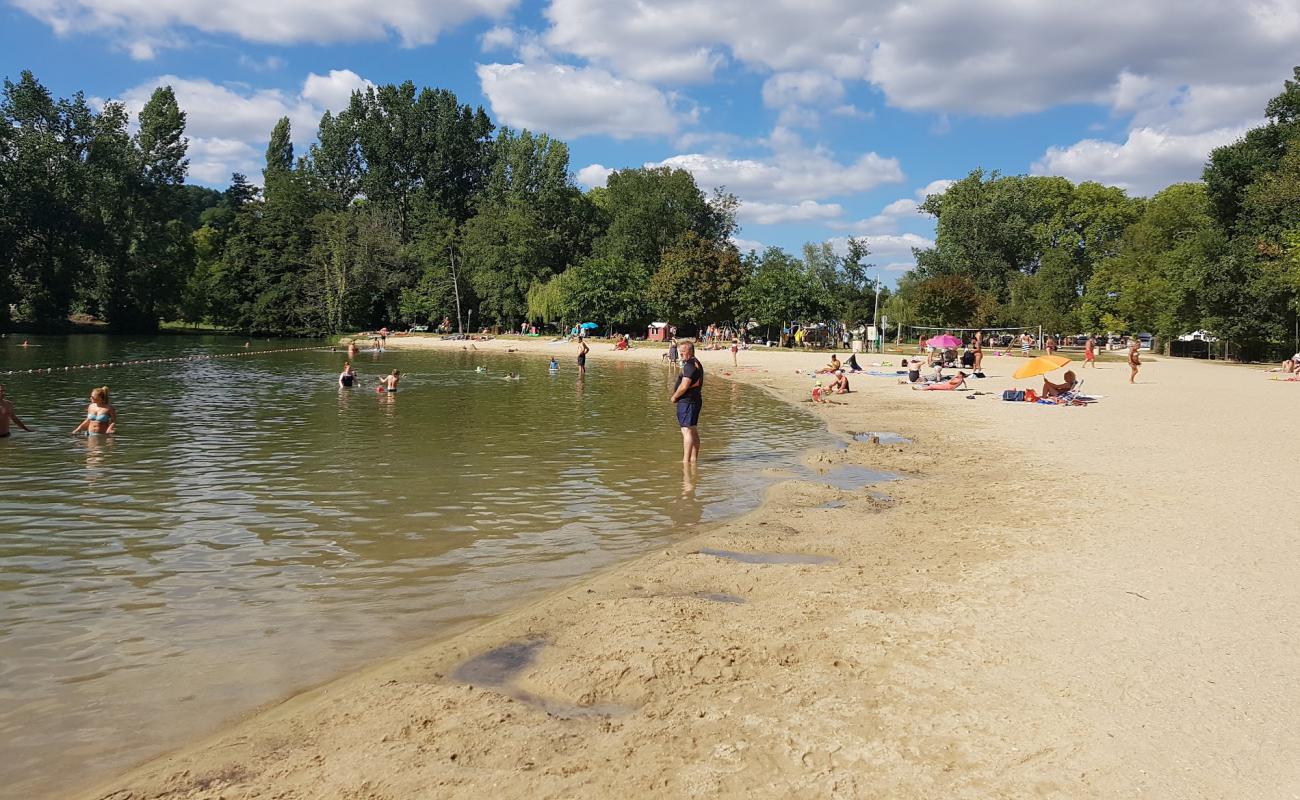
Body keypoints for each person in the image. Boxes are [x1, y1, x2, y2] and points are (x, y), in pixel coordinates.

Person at [669, 341, 703, 463]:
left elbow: (684, 386)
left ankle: (686, 461)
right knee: (693, 429)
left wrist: (674, 397)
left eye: (682, 352)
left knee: (687, 430)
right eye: (680, 352)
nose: (680, 354)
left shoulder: (690, 365)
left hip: (687, 401)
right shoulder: (696, 363)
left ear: (689, 351)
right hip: (695, 399)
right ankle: (693, 460)